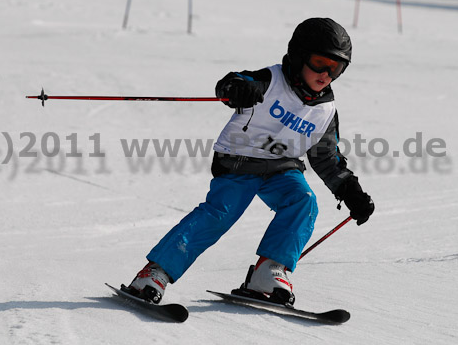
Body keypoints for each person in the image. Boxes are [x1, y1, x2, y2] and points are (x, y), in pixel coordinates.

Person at [125, 17, 375, 305]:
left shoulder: (324, 111)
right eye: (320, 62)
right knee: (220, 213)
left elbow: (327, 159)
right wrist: (237, 90)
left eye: (336, 68)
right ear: (299, 55)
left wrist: (350, 192)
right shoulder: (270, 81)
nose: (325, 74)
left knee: (303, 202)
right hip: (239, 162)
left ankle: (268, 271)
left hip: (282, 167)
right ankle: (154, 273)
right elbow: (232, 83)